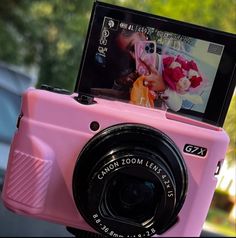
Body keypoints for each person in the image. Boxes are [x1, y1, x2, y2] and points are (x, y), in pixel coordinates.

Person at [110, 29, 183, 112]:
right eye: (126, 55)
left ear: (142, 35)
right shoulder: (129, 68)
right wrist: (122, 82)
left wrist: (163, 88)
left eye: (133, 48)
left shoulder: (169, 65)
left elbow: (177, 106)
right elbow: (116, 98)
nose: (133, 57)